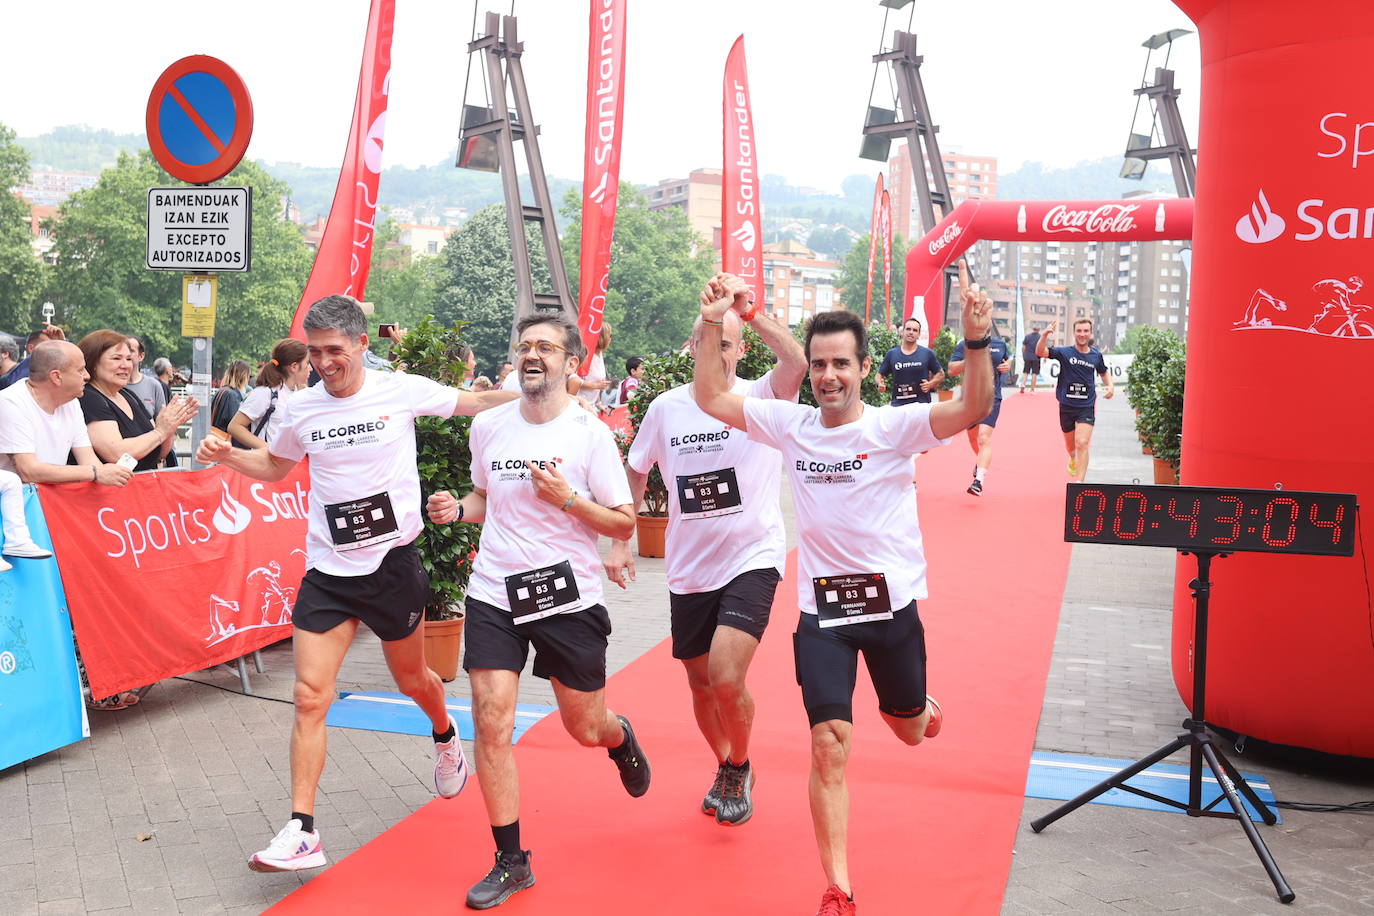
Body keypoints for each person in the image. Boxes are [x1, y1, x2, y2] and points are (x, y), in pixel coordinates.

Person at [690, 261, 993, 916]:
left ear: (863, 371)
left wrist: (975, 343)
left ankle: (920, 707)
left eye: (841, 365)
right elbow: (713, 398)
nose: (827, 376)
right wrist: (722, 319)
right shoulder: (791, 425)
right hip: (822, 616)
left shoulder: (893, 428)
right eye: (820, 364)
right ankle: (838, 886)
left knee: (907, 730)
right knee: (829, 744)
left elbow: (972, 407)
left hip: (891, 613)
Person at [194, 294, 519, 874]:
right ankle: (303, 830)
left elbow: (475, 401)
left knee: (413, 678)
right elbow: (275, 466)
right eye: (314, 352)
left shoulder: (400, 389)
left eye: (334, 351)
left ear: (362, 344)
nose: (323, 362)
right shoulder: (301, 408)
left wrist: (544, 396)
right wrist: (226, 459)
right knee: (309, 696)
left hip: (393, 566)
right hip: (327, 569)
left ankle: (444, 735)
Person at [425, 313, 648, 910]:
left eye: (546, 348)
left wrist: (569, 500)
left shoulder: (590, 434)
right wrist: (456, 508)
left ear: (570, 364)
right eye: (525, 346)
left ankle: (617, 734)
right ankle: (511, 860)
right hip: (496, 590)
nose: (532, 355)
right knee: (491, 720)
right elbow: (484, 497)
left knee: (583, 726)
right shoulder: (492, 426)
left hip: (567, 597)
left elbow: (624, 520)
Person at [606, 276, 805, 826]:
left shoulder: (759, 397)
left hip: (752, 556)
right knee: (698, 682)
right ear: (691, 347)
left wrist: (752, 312)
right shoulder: (666, 408)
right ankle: (727, 764)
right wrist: (622, 538)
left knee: (723, 673)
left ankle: (739, 762)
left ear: (739, 350)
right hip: (688, 568)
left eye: (726, 341)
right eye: (705, 338)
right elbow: (637, 472)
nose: (715, 347)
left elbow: (796, 366)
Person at [0, 339, 135, 703]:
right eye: (81, 370)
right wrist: (94, 474)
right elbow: (27, 470)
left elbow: (88, 458)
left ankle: (85, 690)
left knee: (73, 600)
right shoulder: (12, 403)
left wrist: (112, 472)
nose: (88, 376)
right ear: (56, 376)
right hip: (14, 520)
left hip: (56, 516)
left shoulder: (73, 404)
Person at [76, 330, 198, 473]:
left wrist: (170, 427)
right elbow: (116, 453)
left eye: (129, 359)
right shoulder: (89, 398)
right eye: (116, 358)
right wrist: (160, 432)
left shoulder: (128, 395)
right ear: (94, 362)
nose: (126, 365)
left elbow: (158, 453)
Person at [1037, 318, 1114, 481]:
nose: (1082, 334)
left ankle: (1079, 483)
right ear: (1074, 333)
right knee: (1072, 447)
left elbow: (1104, 372)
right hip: (1066, 405)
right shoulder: (1064, 352)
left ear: (1091, 333)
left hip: (1086, 406)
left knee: (1082, 442)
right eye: (1079, 331)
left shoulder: (1096, 355)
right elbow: (1040, 352)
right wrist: (1044, 336)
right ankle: (1072, 459)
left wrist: (1110, 386)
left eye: (1086, 331)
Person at [947, 330, 1011, 495]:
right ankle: (980, 460)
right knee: (973, 438)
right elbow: (951, 369)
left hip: (992, 397)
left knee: (984, 438)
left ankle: (979, 481)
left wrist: (1007, 366)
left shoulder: (1000, 344)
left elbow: (1007, 361)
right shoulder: (964, 345)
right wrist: (971, 358)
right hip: (971, 399)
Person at [228, 339, 310, 449]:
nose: (311, 369)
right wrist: (269, 449)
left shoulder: (297, 393)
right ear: (294, 367)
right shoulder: (266, 393)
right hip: (266, 463)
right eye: (307, 363)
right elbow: (235, 427)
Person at [875, 317, 944, 406]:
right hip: (898, 405)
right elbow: (879, 375)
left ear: (919, 335)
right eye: (908, 329)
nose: (911, 332)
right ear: (902, 332)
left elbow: (941, 374)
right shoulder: (892, 354)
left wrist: (930, 384)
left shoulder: (927, 353)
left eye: (915, 330)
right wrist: (880, 383)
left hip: (921, 405)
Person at [209, 360, 252, 442]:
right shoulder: (232, 395)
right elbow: (236, 426)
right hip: (226, 443)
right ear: (244, 376)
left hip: (216, 437)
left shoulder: (221, 391)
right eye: (249, 376)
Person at [1020, 325, 1042, 394]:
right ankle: (1032, 389)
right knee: (1034, 373)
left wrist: (1024, 355)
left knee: (1025, 372)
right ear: (1039, 330)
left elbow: (1023, 347)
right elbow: (1042, 347)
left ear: (1033, 329)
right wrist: (1043, 357)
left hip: (1027, 357)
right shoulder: (1040, 337)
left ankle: (1023, 384)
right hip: (1036, 357)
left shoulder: (1027, 336)